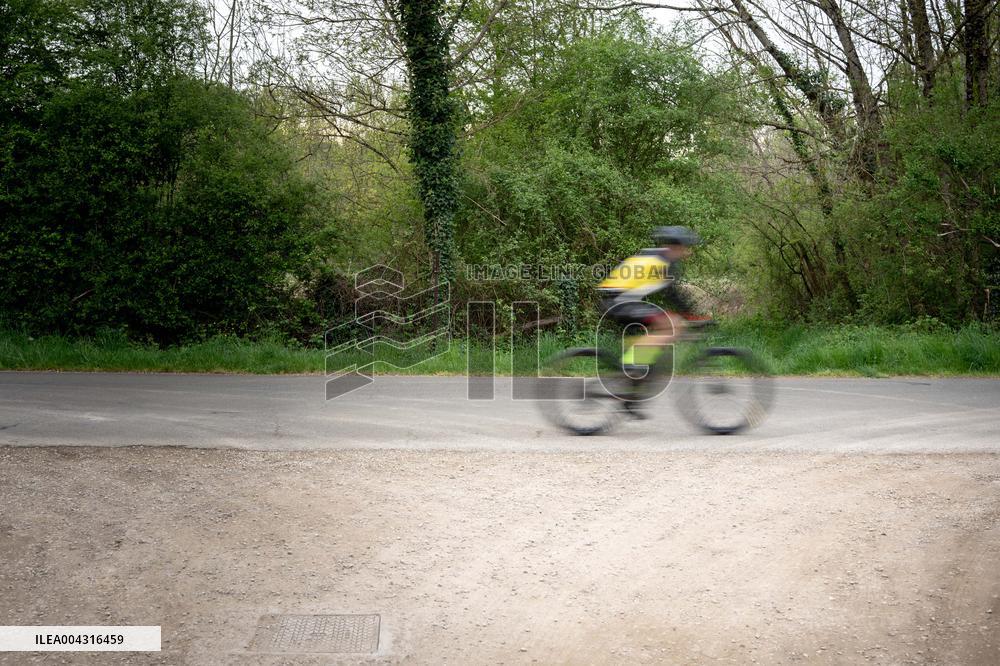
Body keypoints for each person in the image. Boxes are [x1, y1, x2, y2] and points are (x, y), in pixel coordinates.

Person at [596, 226, 701, 413]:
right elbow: (673, 295)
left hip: (620, 299)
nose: (687, 252)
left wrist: (688, 314)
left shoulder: (658, 258)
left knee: (658, 336)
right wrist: (693, 316)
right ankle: (631, 364)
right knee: (671, 326)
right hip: (618, 300)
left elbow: (672, 296)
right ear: (674, 247)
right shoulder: (664, 262)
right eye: (685, 247)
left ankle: (631, 395)